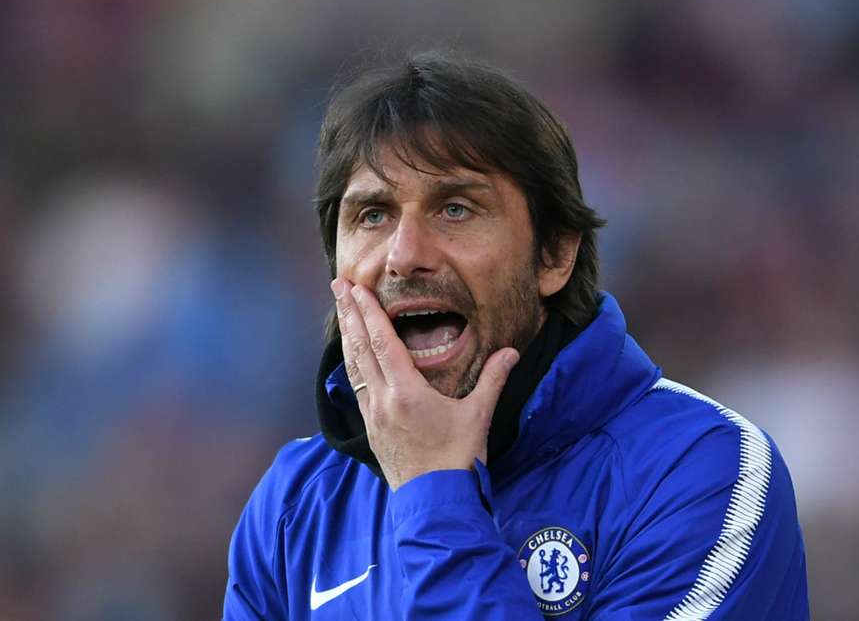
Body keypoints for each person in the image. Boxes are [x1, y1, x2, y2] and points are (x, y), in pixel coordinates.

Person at [223, 51, 810, 620]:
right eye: (373, 215)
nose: (403, 256)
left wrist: (434, 489)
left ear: (554, 255)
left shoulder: (700, 472)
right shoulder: (295, 505)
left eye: (455, 209)